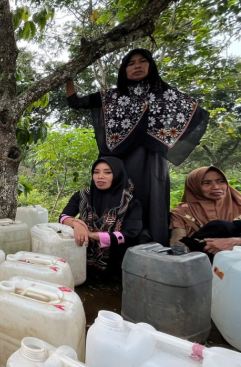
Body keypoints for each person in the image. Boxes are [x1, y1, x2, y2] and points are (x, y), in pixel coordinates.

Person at [65, 49, 209, 246]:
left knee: (149, 200)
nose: (137, 66)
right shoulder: (112, 96)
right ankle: (105, 251)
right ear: (124, 70)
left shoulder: (165, 94)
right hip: (116, 161)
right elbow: (75, 102)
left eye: (142, 61)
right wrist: (68, 75)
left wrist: (162, 137)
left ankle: (149, 251)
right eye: (131, 63)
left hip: (150, 160)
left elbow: (196, 114)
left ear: (151, 65)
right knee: (112, 198)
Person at [60, 157, 143, 275]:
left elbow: (130, 233)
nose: (100, 176)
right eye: (96, 172)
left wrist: (91, 235)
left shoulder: (130, 203)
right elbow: (63, 217)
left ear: (118, 174)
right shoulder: (83, 196)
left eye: (107, 172)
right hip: (80, 263)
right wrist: (76, 224)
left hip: (116, 267)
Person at [170, 166, 241, 257]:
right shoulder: (182, 211)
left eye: (221, 181)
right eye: (206, 183)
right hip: (204, 262)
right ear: (194, 186)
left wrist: (234, 242)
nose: (216, 187)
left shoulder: (239, 205)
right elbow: (177, 244)